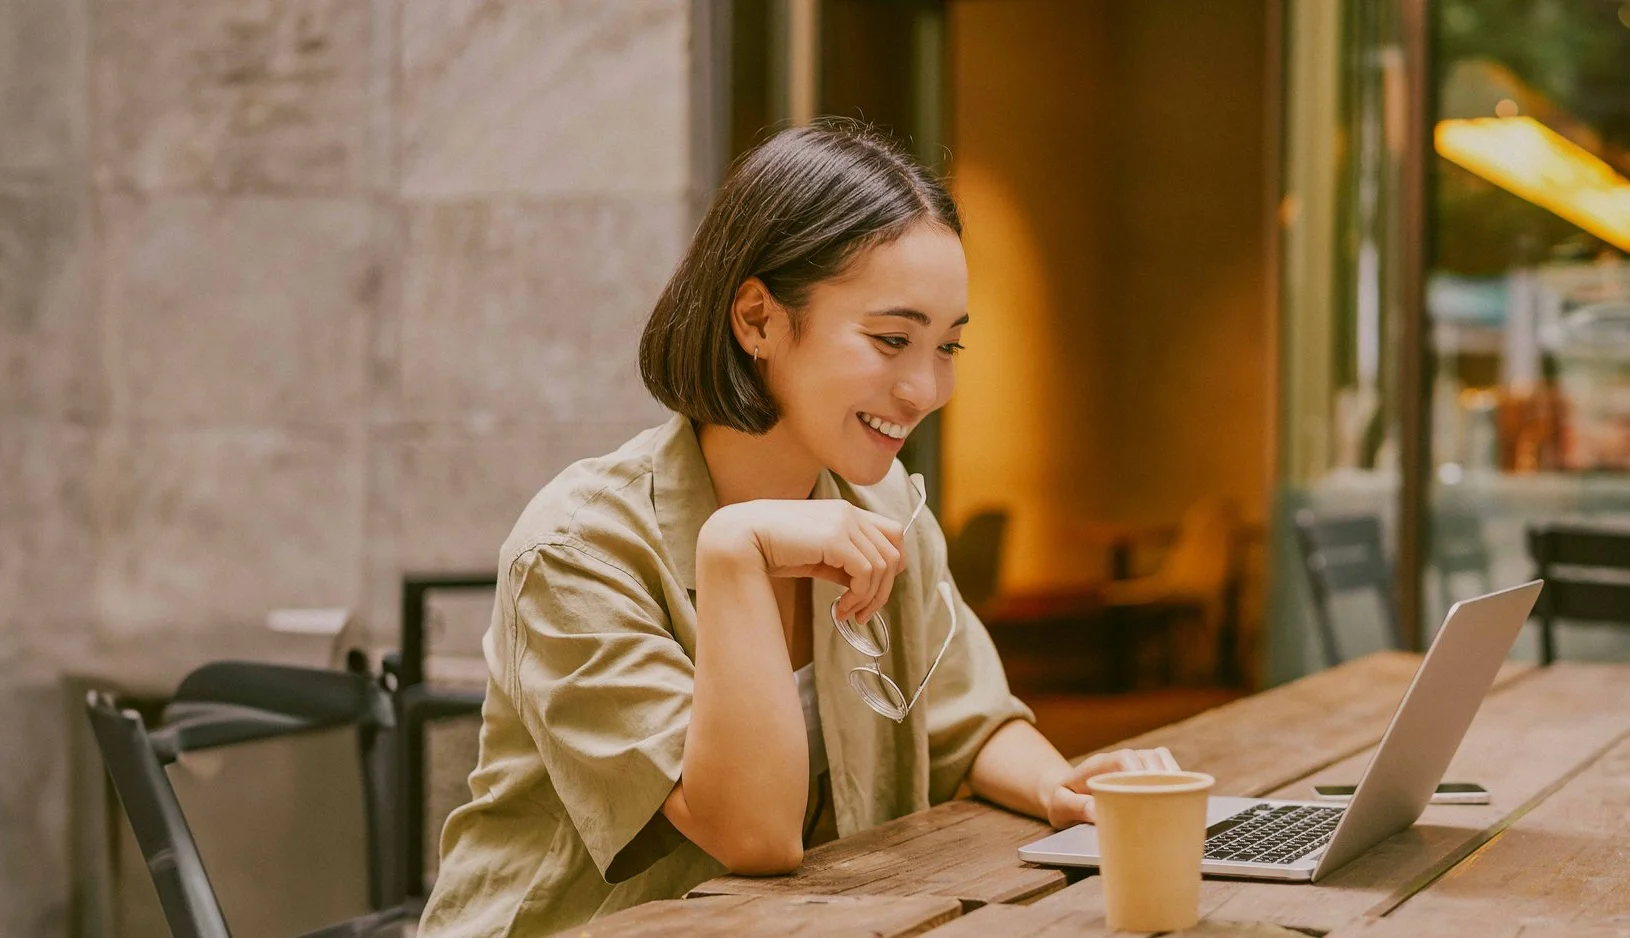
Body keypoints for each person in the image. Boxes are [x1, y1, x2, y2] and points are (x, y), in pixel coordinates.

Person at [421, 120, 1180, 938]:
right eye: (892, 339)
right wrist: (736, 552)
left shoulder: (884, 508)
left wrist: (1062, 788)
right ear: (757, 320)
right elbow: (753, 834)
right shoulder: (577, 549)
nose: (926, 387)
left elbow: (969, 722)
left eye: (948, 346)